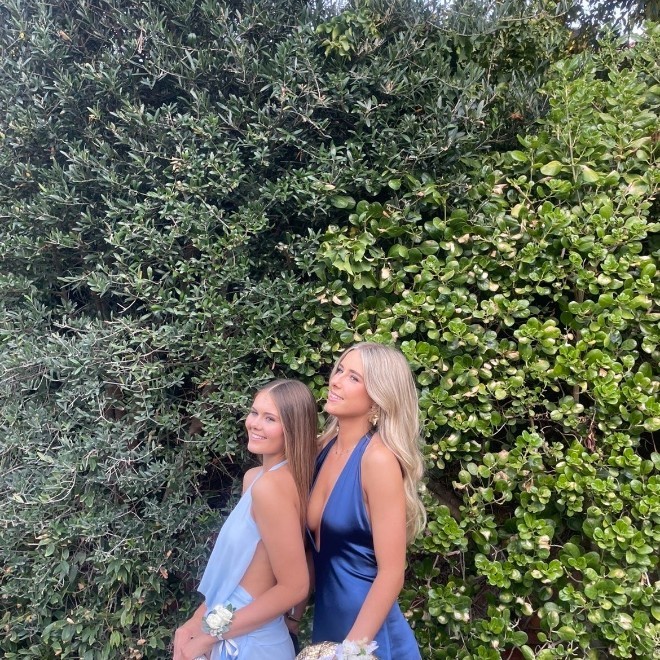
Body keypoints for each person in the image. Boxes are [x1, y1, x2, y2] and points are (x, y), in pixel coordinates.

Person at [173, 379, 318, 660]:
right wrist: (196, 621)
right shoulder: (255, 479)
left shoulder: (271, 488)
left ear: (293, 428)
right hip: (233, 628)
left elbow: (294, 586)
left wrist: (209, 635)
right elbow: (241, 573)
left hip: (252, 643)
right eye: (254, 413)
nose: (255, 424)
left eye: (270, 418)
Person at [306, 342, 425, 659]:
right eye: (340, 370)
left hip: (370, 640)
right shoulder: (323, 449)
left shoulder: (378, 460)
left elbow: (392, 573)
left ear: (377, 397)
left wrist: (350, 651)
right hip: (328, 629)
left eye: (353, 378)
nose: (336, 381)